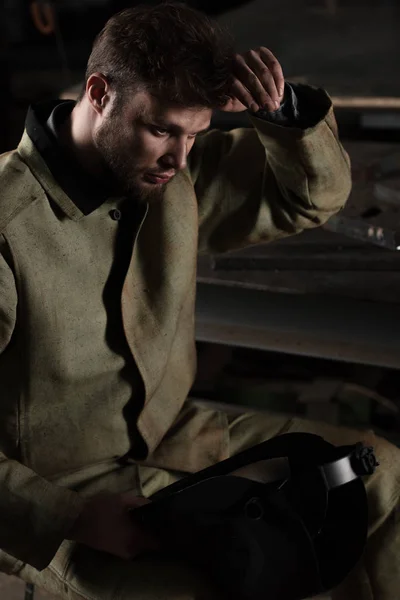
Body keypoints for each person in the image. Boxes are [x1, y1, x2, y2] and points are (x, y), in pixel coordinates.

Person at [0, 2, 398, 599]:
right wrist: (66, 517)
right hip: (64, 492)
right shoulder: (8, 226)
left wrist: (280, 113)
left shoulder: (172, 175)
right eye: (161, 129)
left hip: (181, 437)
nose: (179, 158)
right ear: (99, 92)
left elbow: (310, 197)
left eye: (195, 134)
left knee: (380, 475)